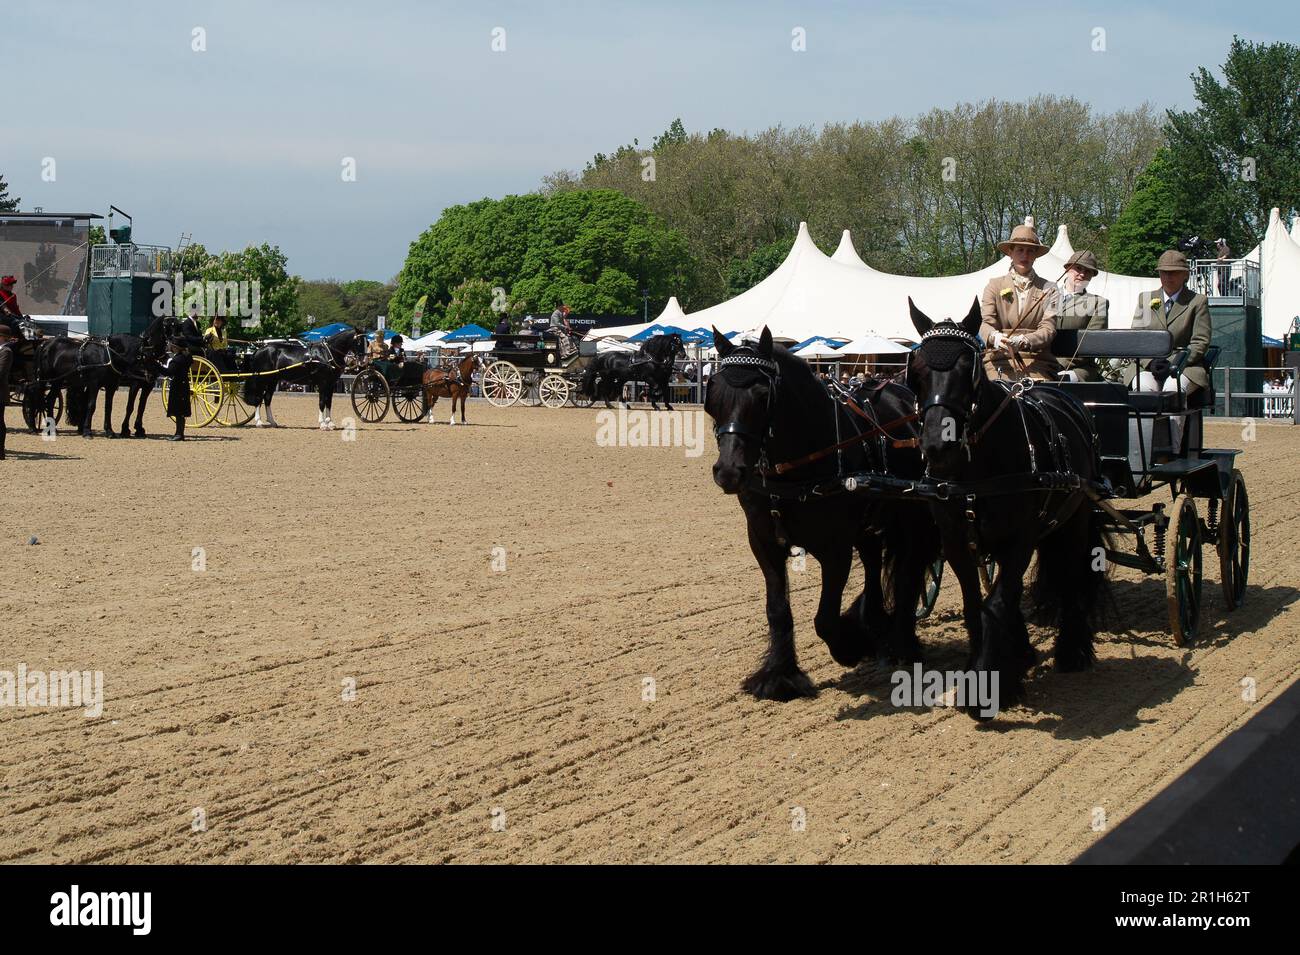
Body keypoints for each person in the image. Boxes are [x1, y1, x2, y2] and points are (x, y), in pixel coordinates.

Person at [980, 224, 1060, 380]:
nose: (1025, 256)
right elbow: (986, 323)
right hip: (999, 361)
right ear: (1010, 253)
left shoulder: (1050, 289)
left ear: (1036, 255)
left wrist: (1025, 340)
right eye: (1020, 250)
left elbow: (1048, 328)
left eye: (1030, 251)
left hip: (1037, 362)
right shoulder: (993, 286)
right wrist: (994, 337)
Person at [1055, 250, 1109, 382]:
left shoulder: (1098, 303)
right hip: (1045, 363)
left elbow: (1092, 342)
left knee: (1060, 381)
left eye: (1088, 271)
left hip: (1078, 368)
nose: (1082, 274)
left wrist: (1060, 363)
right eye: (1078, 268)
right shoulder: (1045, 296)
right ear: (1068, 268)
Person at [164, 308, 206, 442]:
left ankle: (179, 434)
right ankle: (179, 433)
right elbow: (190, 337)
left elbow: (168, 372)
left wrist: (156, 366)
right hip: (183, 385)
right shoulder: (185, 358)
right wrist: (201, 339)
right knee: (180, 412)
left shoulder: (177, 360)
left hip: (178, 387)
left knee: (178, 411)